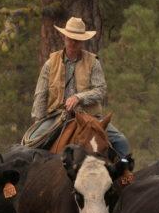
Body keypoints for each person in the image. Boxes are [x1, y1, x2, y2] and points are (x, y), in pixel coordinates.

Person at [26, 16, 133, 177]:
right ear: (65, 37)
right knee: (29, 144)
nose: (73, 43)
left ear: (82, 41)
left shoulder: (93, 62)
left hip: (89, 117)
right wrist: (38, 120)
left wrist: (79, 97)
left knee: (121, 142)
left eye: (77, 40)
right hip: (57, 116)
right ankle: (27, 182)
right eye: (71, 38)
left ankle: (125, 173)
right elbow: (41, 95)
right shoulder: (50, 63)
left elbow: (101, 90)